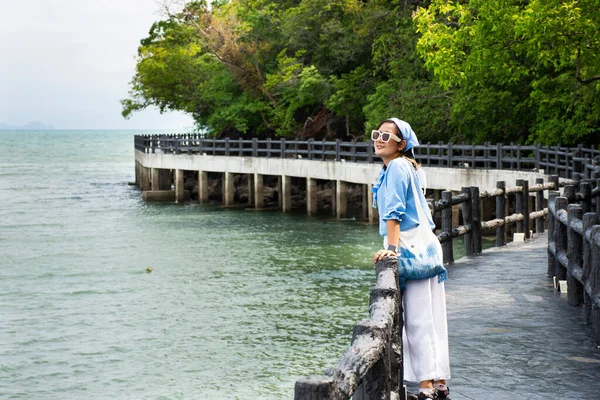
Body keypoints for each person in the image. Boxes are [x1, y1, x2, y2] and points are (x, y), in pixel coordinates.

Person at [371, 118, 451, 400]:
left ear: (401, 144)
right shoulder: (412, 167)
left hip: (409, 245)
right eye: (376, 134)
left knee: (416, 319)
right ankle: (438, 380)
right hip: (427, 244)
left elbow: (393, 213)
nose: (378, 139)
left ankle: (426, 386)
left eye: (385, 136)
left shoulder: (395, 167)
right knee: (433, 317)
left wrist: (392, 248)